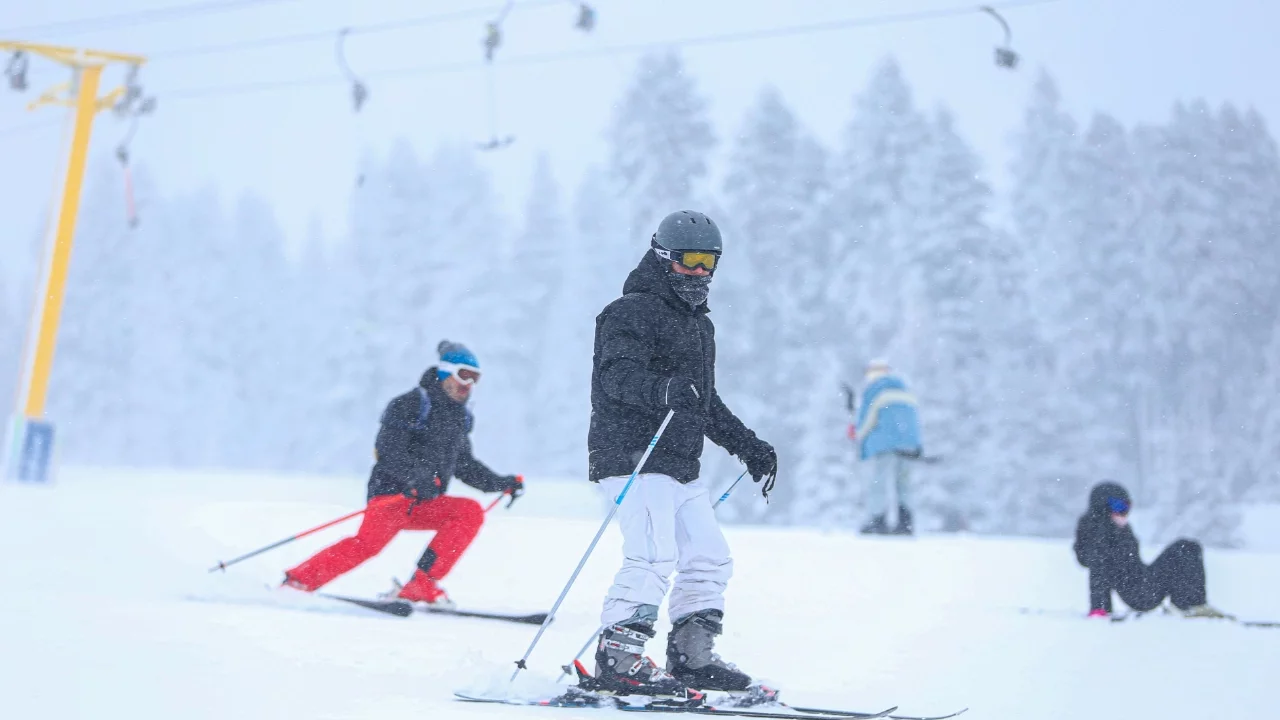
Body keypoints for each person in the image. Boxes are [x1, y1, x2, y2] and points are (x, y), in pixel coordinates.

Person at [585, 209, 778, 697]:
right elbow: (616, 376)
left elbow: (703, 402)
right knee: (652, 556)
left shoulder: (697, 325)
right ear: (663, 257)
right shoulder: (629, 311)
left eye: (708, 262)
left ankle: (692, 659)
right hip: (632, 454)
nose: (699, 273)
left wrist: (747, 446)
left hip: (677, 463)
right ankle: (619, 662)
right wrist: (662, 389)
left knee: (708, 558)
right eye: (689, 261)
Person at [281, 341, 524, 609]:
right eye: (464, 375)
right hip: (393, 497)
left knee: (468, 512)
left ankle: (421, 585)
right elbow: (388, 451)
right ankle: (299, 582)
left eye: (475, 378)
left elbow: (464, 465)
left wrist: (502, 483)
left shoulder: (459, 418)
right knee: (367, 545)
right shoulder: (409, 404)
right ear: (445, 372)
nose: (469, 384)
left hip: (425, 502)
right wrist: (415, 477)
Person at [1073, 480, 1230, 619]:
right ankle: (1190, 606)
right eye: (1118, 506)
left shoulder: (1118, 530)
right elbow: (1098, 570)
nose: (1124, 513)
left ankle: (1188, 604)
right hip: (1140, 593)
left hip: (1143, 583)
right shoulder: (1099, 533)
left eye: (1127, 507)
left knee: (1188, 547)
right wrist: (1100, 608)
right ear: (1102, 507)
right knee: (1184, 548)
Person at [854, 359, 922, 535]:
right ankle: (905, 524)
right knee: (904, 483)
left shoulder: (875, 390)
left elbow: (867, 419)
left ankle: (878, 521)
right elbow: (913, 420)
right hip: (910, 445)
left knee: (879, 482)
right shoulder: (905, 389)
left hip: (885, 444)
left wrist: (858, 435)